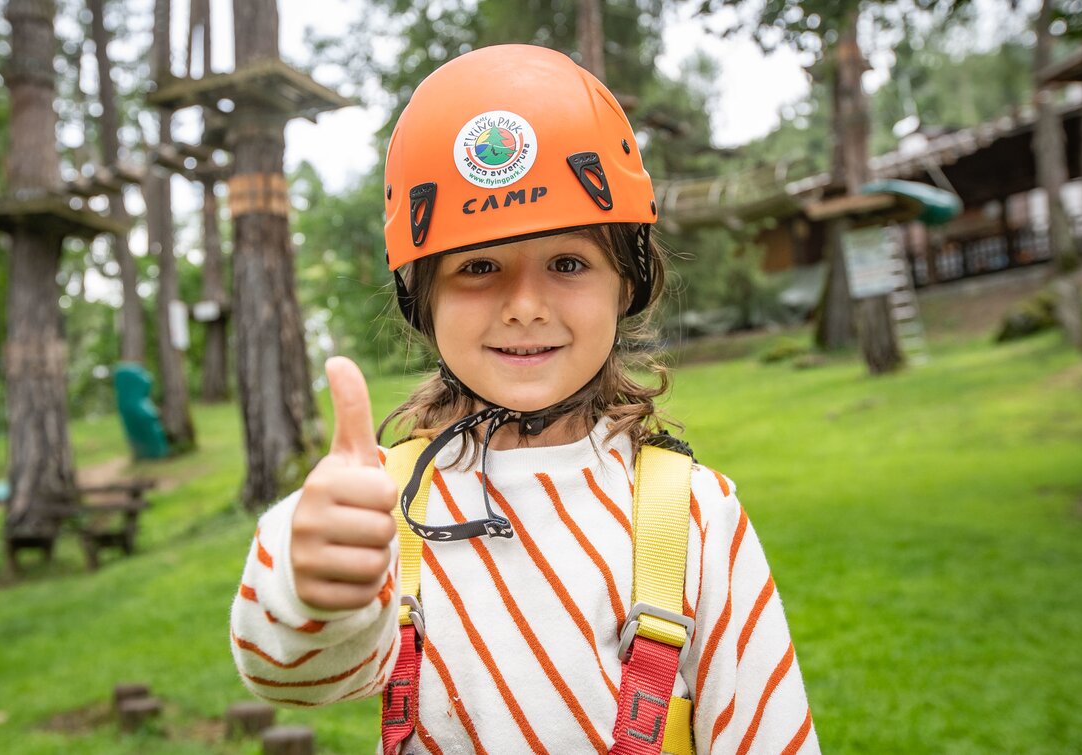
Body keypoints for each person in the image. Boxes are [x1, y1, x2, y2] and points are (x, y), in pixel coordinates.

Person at [230, 44, 817, 754]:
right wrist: (308, 574)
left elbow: (770, 736)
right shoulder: (385, 505)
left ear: (626, 282)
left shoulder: (695, 514)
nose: (525, 305)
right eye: (478, 266)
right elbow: (294, 677)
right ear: (422, 297)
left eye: (567, 262)